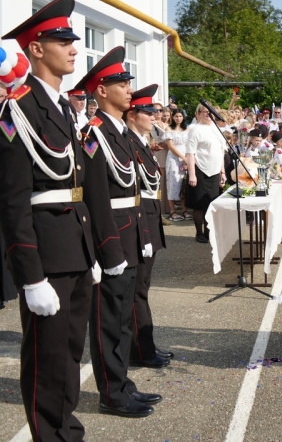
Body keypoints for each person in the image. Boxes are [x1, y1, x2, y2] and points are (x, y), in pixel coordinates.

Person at [0, 0, 102, 440]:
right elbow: (12, 201)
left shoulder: (62, 108)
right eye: (63, 41)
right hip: (46, 256)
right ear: (36, 49)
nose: (74, 49)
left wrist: (91, 248)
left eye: (73, 40)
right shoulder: (18, 111)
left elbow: (76, 186)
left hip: (74, 249)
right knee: (45, 358)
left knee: (68, 353)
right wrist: (30, 275)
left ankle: (66, 429)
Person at [78, 46, 161, 418]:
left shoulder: (122, 134)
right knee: (108, 319)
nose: (129, 89)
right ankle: (110, 392)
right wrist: (108, 248)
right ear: (100, 91)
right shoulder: (94, 134)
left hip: (130, 233)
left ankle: (123, 383)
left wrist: (143, 237)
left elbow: (134, 193)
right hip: (112, 238)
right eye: (120, 83)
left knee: (123, 317)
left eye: (128, 82)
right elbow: (95, 198)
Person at [124, 85, 172, 367]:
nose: (154, 117)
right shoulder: (129, 142)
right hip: (139, 223)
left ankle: (146, 346)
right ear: (133, 115)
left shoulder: (141, 142)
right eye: (149, 113)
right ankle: (142, 351)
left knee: (142, 288)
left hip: (150, 221)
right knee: (137, 291)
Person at [185, 103, 227, 243]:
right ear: (198, 114)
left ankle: (209, 232)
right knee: (199, 204)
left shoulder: (216, 129)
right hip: (200, 170)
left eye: (211, 112)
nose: (208, 114)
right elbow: (190, 153)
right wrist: (192, 174)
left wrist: (222, 172)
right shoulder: (195, 130)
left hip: (215, 171)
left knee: (211, 203)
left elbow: (220, 153)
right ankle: (199, 233)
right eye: (204, 112)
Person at [163, 108, 190, 221]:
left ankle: (184, 210)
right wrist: (183, 157)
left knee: (183, 184)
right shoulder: (169, 128)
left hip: (186, 157)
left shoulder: (187, 129)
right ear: (172, 117)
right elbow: (171, 146)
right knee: (173, 183)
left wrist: (187, 158)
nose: (178, 118)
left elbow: (190, 144)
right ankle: (173, 211)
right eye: (176, 116)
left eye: (180, 116)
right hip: (174, 158)